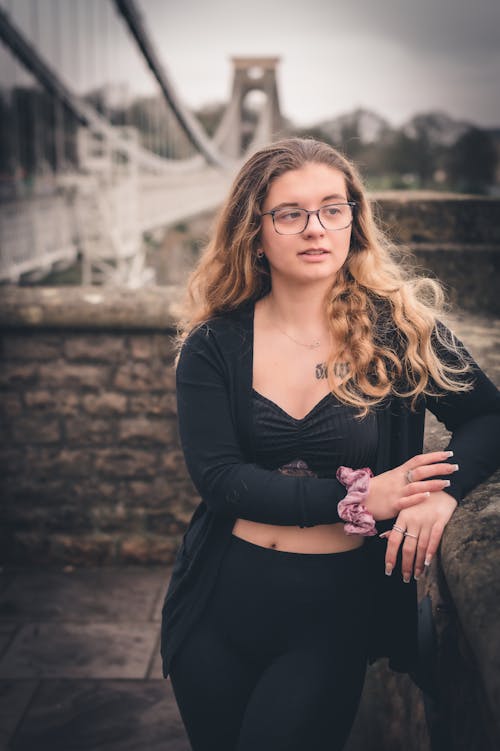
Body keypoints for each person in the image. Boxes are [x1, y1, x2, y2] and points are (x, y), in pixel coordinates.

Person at [160, 137, 500, 751]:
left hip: (332, 610)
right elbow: (220, 479)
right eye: (290, 213)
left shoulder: (398, 331)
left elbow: (489, 418)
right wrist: (364, 500)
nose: (315, 228)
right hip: (216, 605)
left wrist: (441, 495)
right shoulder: (214, 344)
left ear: (354, 220)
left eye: (332, 209)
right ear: (254, 231)